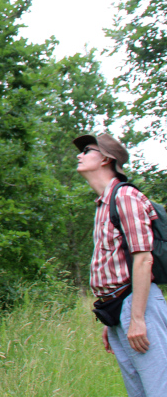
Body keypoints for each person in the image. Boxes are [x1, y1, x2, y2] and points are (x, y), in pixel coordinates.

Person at [74, 133, 167, 396]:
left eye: (87, 150)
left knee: (159, 390)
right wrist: (111, 322)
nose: (79, 155)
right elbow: (117, 265)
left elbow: (143, 258)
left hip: (138, 306)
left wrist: (137, 318)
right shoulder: (104, 203)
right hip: (119, 309)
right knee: (138, 392)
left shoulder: (124, 196)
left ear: (105, 158)